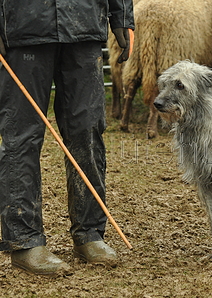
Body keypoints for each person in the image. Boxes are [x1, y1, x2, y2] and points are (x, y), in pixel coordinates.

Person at [0, 0, 134, 276]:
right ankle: (25, 240)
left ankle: (90, 233)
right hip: (23, 25)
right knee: (21, 134)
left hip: (84, 23)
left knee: (88, 129)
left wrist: (122, 14)